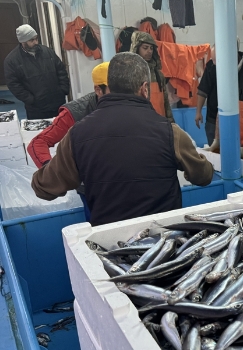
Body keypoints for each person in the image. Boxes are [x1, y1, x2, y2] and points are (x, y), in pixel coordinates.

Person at [31, 52, 213, 226]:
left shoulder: (77, 135)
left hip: (111, 244)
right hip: (164, 242)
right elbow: (203, 176)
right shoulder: (169, 131)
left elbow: (44, 188)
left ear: (107, 86)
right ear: (144, 89)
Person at [27, 61, 110, 222]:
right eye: (114, 89)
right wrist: (50, 169)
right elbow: (38, 142)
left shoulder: (131, 103)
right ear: (98, 90)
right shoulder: (75, 113)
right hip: (91, 188)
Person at [3, 24, 70, 120]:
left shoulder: (47, 51)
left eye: (36, 39)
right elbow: (13, 84)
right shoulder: (12, 60)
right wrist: (30, 99)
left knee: (61, 130)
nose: (35, 42)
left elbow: (61, 70)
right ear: (23, 42)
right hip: (36, 108)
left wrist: (63, 89)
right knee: (41, 133)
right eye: (31, 40)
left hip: (57, 102)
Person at [130, 31, 174, 123]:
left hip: (161, 123)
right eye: (145, 48)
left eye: (151, 48)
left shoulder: (159, 74)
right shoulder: (130, 74)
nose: (149, 51)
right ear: (136, 48)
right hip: (141, 124)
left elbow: (165, 101)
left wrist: (171, 121)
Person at [195, 46, 218, 146]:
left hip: (235, 119)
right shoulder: (211, 66)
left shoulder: (240, 68)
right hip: (212, 118)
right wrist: (198, 112)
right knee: (215, 152)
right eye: (212, 59)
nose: (214, 63)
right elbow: (203, 90)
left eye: (216, 60)